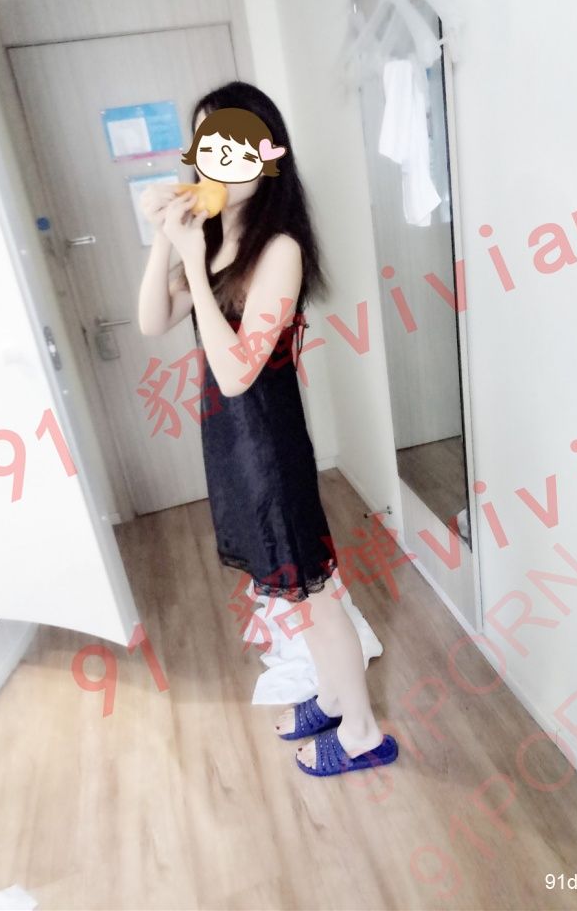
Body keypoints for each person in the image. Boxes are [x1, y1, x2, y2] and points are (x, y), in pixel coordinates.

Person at [138, 80, 397, 777]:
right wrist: (166, 240)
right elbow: (153, 320)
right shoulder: (216, 238)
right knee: (294, 597)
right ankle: (334, 699)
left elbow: (236, 373)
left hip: (268, 444)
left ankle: (361, 732)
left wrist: (195, 269)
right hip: (231, 443)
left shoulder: (278, 248)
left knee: (314, 596)